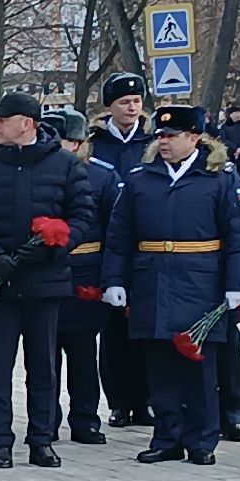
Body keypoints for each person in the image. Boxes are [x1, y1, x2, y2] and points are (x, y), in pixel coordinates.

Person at [104, 105, 240, 464]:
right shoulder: (141, 178)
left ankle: (202, 439)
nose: (164, 142)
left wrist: (238, 283)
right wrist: (114, 279)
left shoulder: (220, 177)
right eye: (160, 135)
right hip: (152, 277)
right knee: (159, 363)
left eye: (172, 136)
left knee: (199, 364)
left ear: (193, 138)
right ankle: (167, 436)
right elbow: (119, 234)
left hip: (201, 278)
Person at [0, 92, 95, 469]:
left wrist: (53, 248)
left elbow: (83, 215)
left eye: (2, 119)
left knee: (43, 365)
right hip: (0, 282)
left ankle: (41, 439)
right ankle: (0, 441)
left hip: (45, 280)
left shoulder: (65, 165)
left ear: (26, 123)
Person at [47, 107, 121, 445]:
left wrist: (110, 278)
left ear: (77, 143)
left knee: (82, 351)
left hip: (86, 270)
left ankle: (85, 418)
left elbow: (114, 231)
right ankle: (45, 416)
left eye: (61, 138)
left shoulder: (102, 176)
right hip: (46, 269)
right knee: (44, 351)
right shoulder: (35, 170)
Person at [89, 73, 156, 429]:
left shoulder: (153, 140)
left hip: (147, 242)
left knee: (144, 325)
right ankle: (119, 399)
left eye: (136, 101)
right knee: (113, 329)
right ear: (109, 107)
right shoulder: (96, 144)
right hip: (108, 245)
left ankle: (145, 399)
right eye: (124, 102)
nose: (132, 107)